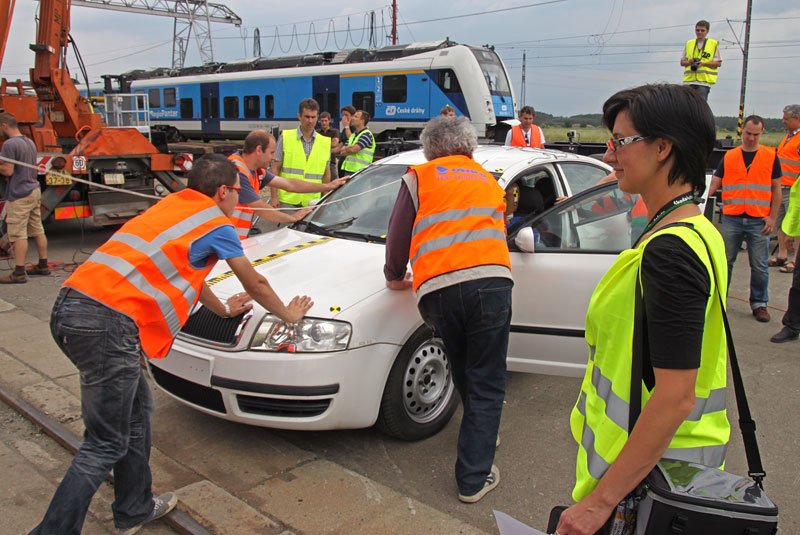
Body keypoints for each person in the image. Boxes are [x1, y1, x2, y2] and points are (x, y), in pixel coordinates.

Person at [31, 154, 313, 534]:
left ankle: (134, 508)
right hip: (107, 326)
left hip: (71, 307)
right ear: (224, 191)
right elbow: (255, 283)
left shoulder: (172, 206)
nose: (239, 200)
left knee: (137, 417)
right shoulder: (217, 223)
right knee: (105, 443)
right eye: (236, 193)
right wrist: (287, 314)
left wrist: (224, 309)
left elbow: (186, 271)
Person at [557, 84, 729, 535]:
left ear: (662, 148)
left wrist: (599, 503)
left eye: (620, 142)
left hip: (645, 483)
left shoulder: (670, 253)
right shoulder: (694, 228)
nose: (610, 155)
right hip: (668, 470)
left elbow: (675, 396)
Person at [384, 116, 513, 503]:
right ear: (469, 148)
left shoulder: (418, 177)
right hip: (490, 283)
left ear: (430, 149)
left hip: (437, 290)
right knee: (487, 378)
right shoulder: (489, 180)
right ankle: (473, 478)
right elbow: (499, 229)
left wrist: (394, 275)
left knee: (462, 366)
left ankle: (481, 434)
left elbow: (398, 231)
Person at [707, 115, 781, 323]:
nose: (751, 138)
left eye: (756, 135)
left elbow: (776, 188)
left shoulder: (770, 156)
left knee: (759, 265)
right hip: (733, 217)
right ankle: (720, 300)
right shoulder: (730, 156)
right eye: (748, 133)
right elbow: (715, 182)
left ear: (761, 133)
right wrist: (701, 201)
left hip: (759, 219)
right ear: (743, 132)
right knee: (726, 261)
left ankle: (759, 303)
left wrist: (772, 217)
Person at [229, 130, 346, 238]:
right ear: (259, 150)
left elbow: (290, 184)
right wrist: (291, 218)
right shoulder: (236, 172)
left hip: (232, 240)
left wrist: (328, 186)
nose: (274, 158)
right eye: (272, 152)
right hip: (221, 243)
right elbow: (261, 208)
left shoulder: (256, 171)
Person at [0, 111, 49, 284]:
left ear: (5, 126)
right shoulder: (29, 142)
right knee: (37, 229)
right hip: (33, 190)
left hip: (20, 194)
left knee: (18, 233)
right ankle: (43, 265)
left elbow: (8, 170)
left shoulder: (9, 144)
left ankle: (19, 272)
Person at [270, 99, 331, 208]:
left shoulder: (325, 142)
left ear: (317, 118)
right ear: (299, 116)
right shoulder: (285, 137)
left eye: (313, 117)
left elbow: (326, 173)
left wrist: (325, 197)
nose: (310, 121)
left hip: (312, 200)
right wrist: (274, 197)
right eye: (307, 117)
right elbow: (275, 168)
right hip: (288, 199)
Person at [771, 104, 800, 273]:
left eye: (786, 119)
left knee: (795, 225)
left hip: (794, 190)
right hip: (782, 187)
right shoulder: (788, 137)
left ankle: (795, 260)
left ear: (797, 119)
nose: (783, 121)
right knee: (781, 223)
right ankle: (782, 255)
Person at [679, 20, 721, 101]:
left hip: (703, 82)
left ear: (707, 31)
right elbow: (682, 62)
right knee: (686, 106)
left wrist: (704, 63)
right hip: (689, 81)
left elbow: (718, 63)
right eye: (697, 30)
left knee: (700, 107)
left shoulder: (713, 44)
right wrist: (689, 62)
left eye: (702, 30)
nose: (699, 32)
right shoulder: (689, 43)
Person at [339, 109, 376, 176]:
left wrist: (349, 149)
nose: (352, 118)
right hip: (348, 171)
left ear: (362, 121)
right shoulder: (353, 135)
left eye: (356, 117)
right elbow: (342, 152)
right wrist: (351, 148)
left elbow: (354, 149)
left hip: (361, 172)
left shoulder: (367, 134)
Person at [317, 111, 341, 179]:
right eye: (322, 121)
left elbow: (335, 144)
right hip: (319, 161)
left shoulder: (335, 131)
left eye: (326, 121)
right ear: (319, 121)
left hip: (331, 161)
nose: (324, 123)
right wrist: (329, 142)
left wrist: (320, 143)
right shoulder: (317, 132)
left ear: (329, 121)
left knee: (334, 180)